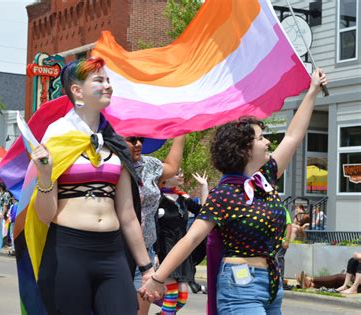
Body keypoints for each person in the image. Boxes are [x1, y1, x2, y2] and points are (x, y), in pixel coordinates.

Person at [140, 69, 328, 314]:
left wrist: (312, 91)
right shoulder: (224, 194)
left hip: (272, 284)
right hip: (241, 286)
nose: (268, 142)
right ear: (245, 149)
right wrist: (158, 278)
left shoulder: (266, 178)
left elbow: (293, 136)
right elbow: (192, 238)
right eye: (261, 138)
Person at [30, 57, 154, 314]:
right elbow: (44, 215)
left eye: (108, 80)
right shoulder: (56, 135)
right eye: (99, 80)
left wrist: (147, 267)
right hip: (68, 251)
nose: (108, 85)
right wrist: (44, 175)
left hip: (111, 252)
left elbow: (128, 214)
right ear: (77, 90)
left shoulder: (114, 140)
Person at [124, 134, 185, 315]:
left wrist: (181, 130)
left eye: (141, 139)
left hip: (145, 252)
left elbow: (172, 167)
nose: (138, 144)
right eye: (132, 139)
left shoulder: (149, 165)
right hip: (115, 251)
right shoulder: (107, 165)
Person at [154, 170, 209, 314]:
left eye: (182, 172)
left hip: (181, 253)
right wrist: (153, 254)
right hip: (163, 251)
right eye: (177, 173)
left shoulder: (183, 199)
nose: (181, 175)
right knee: (171, 295)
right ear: (165, 177)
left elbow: (204, 213)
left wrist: (204, 187)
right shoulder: (156, 198)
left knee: (182, 298)